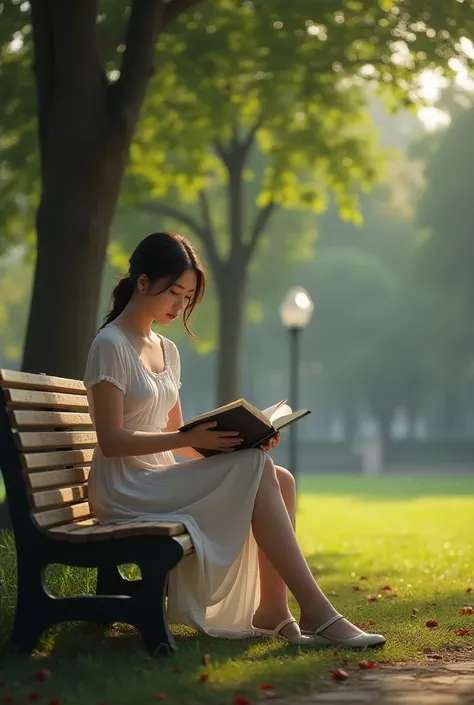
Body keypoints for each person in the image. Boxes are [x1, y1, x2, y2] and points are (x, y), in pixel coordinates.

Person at [83, 232, 385, 648]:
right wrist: (189, 437)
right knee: (261, 472)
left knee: (280, 478)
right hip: (124, 487)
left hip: (159, 478)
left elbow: (182, 438)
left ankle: (272, 611)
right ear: (142, 283)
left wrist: (239, 442)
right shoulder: (110, 345)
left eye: (188, 298)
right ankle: (316, 610)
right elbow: (112, 440)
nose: (180, 305)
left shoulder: (167, 350)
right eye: (174, 293)